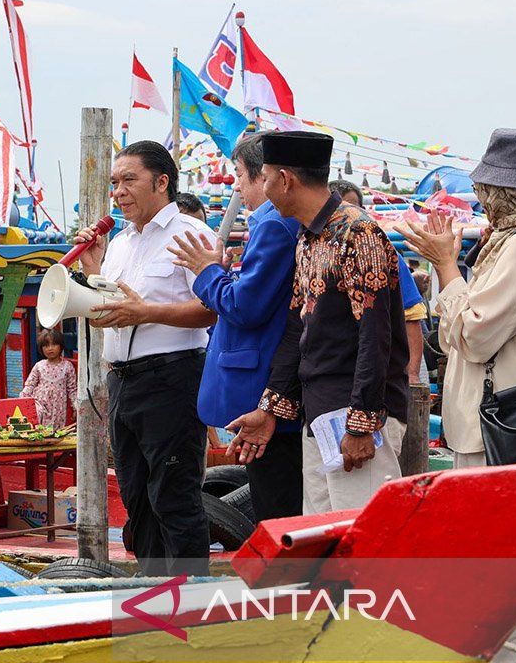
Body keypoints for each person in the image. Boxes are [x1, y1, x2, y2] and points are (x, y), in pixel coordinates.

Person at [226, 131, 409, 515]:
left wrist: (362, 423)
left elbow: (376, 336)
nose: (261, 186)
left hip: (357, 417)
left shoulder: (358, 233)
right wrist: (271, 406)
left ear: (285, 179)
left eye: (266, 176)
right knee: (322, 540)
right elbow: (298, 329)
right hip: (321, 415)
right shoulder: (309, 237)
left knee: (362, 541)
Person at [75, 140, 216, 576]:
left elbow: (212, 309)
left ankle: (194, 602)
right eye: (114, 182)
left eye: (128, 180)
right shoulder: (119, 243)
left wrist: (145, 312)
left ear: (161, 181)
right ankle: (154, 597)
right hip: (122, 381)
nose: (118, 191)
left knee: (174, 496)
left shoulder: (193, 236)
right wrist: (94, 273)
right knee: (137, 498)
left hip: (173, 377)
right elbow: (115, 307)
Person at [169, 133, 304, 521]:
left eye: (241, 177)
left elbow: (246, 306)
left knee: (276, 506)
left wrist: (206, 273)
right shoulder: (277, 224)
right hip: (273, 383)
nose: (238, 188)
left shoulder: (274, 225)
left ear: (267, 178)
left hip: (263, 388)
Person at [400, 128, 516, 468]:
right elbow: (449, 337)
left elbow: (474, 337)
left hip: (501, 423)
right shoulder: (504, 241)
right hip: (485, 424)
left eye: (484, 190)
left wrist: (445, 265)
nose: (481, 198)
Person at [330, 179, 428, 384]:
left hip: (386, 372)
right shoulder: (316, 251)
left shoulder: (385, 253)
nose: (351, 217)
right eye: (342, 209)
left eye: (355, 209)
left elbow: (411, 318)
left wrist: (412, 375)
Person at [20, 328, 77, 428]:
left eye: (54, 345)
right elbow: (30, 385)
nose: (50, 348)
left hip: (58, 408)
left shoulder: (67, 367)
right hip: (40, 404)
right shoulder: (39, 366)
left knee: (54, 433)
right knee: (38, 429)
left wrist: (76, 407)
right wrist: (21, 402)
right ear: (41, 348)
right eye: (46, 346)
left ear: (61, 346)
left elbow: (72, 389)